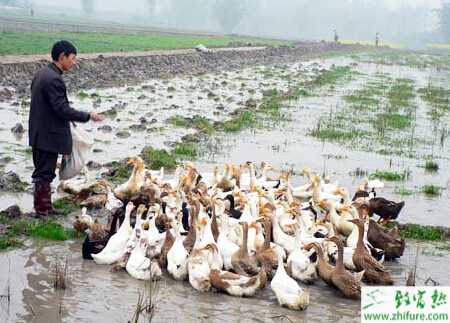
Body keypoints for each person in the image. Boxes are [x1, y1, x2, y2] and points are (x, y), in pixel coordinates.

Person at [29, 40, 104, 216]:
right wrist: (87, 116)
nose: (74, 62)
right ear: (62, 56)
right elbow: (61, 109)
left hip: (40, 131)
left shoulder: (42, 74)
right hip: (48, 134)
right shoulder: (54, 79)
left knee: (44, 171)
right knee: (44, 173)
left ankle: (44, 207)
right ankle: (42, 210)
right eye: (72, 58)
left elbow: (50, 107)